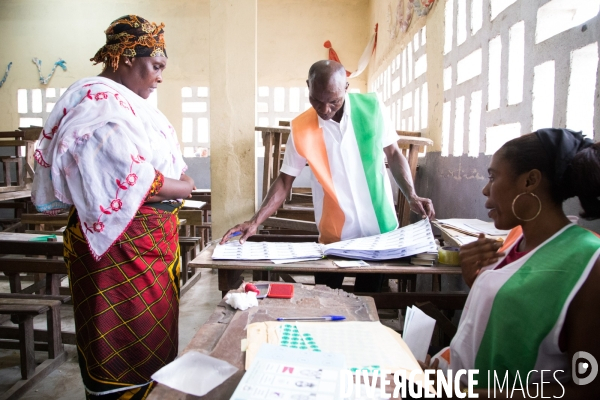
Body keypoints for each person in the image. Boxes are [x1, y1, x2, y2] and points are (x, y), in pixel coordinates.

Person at [31, 15, 194, 399]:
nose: (159, 77)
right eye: (155, 67)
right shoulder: (97, 100)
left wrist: (174, 188)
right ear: (122, 58)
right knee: (119, 345)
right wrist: (184, 186)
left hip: (149, 245)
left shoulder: (129, 103)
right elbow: (129, 177)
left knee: (153, 341)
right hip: (119, 251)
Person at [221, 60, 435, 292]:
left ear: (346, 88)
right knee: (326, 302)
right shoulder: (301, 128)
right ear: (308, 87)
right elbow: (285, 180)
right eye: (316, 100)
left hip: (379, 230)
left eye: (334, 101)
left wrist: (411, 195)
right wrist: (255, 221)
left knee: (370, 300)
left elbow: (393, 154)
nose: (324, 109)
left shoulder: (372, 108)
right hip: (334, 236)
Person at [426, 129, 600, 397]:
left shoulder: (589, 260)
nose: (485, 189)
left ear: (530, 181)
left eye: (493, 177)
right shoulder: (515, 240)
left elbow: (589, 387)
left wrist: (468, 394)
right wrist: (477, 282)